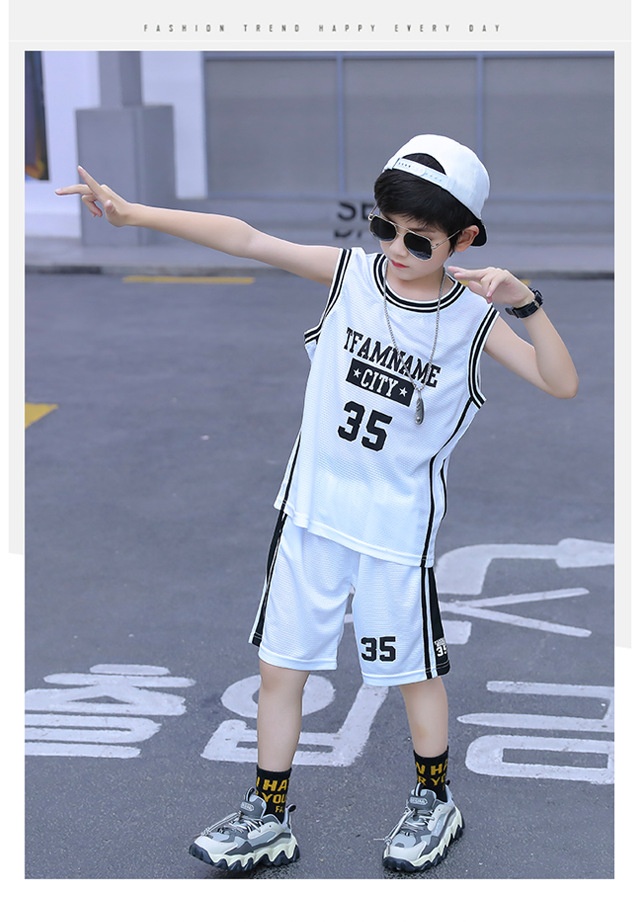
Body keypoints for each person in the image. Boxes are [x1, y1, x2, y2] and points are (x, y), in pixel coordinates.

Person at [56, 134, 578, 875]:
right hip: (311, 517)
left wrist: (525, 303)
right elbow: (245, 239)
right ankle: (268, 816)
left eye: (419, 239)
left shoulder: (474, 317)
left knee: (413, 675)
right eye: (385, 227)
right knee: (280, 670)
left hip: (395, 531)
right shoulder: (350, 277)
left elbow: (561, 382)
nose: (396, 249)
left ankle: (436, 801)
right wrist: (131, 212)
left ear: (464, 239)